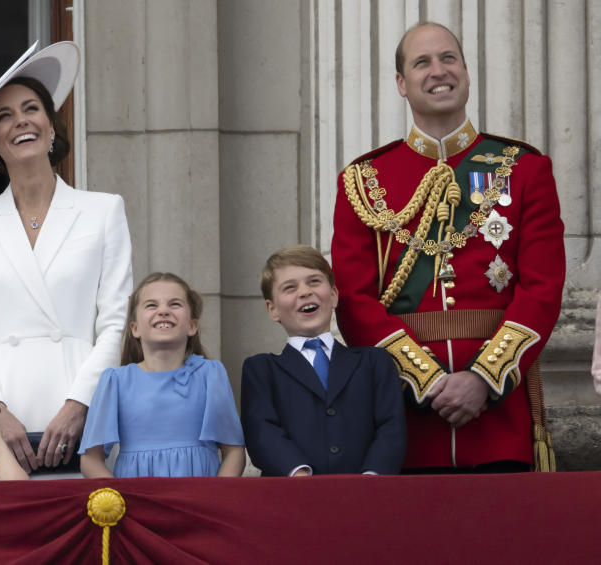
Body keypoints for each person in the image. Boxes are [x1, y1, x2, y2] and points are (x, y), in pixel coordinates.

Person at [331, 22, 565, 472]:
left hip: (499, 417)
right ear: (402, 84)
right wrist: (426, 382)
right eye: (422, 62)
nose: (439, 71)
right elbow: (354, 300)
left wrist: (483, 378)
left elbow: (542, 289)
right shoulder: (364, 181)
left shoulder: (524, 170)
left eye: (448, 58)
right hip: (404, 422)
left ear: (466, 72)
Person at [0, 41, 133, 475]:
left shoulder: (103, 210)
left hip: (87, 409)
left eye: (31, 109)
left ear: (51, 127)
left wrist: (79, 403)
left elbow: (115, 322)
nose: (20, 121)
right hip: (2, 411)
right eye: (4, 116)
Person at [240, 247, 406, 476]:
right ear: (273, 309)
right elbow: (261, 430)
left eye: (314, 282)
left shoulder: (374, 362)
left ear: (334, 295)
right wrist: (298, 473)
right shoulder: (261, 369)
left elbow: (391, 426)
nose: (305, 292)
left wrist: (372, 476)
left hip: (366, 496)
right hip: (293, 499)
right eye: (290, 288)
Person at [78, 273, 245, 478]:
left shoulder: (211, 374)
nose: (163, 311)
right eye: (151, 305)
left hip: (198, 500)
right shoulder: (115, 381)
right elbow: (90, 459)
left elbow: (234, 450)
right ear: (135, 328)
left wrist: (214, 499)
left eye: (175, 304)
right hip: (136, 502)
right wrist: (119, 500)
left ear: (192, 326)